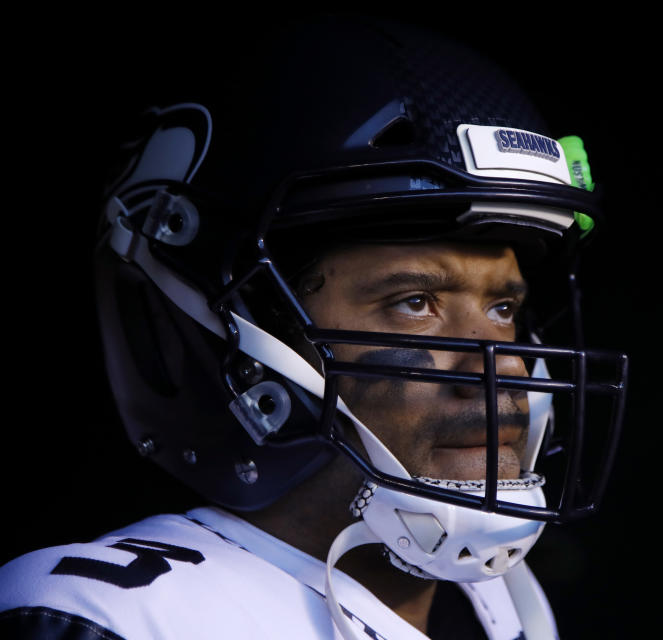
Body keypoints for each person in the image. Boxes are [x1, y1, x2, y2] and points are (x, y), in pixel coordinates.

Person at [0, 17, 628, 640]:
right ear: (245, 338)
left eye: (503, 309)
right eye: (415, 301)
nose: (504, 367)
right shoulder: (112, 619)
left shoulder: (504, 607)